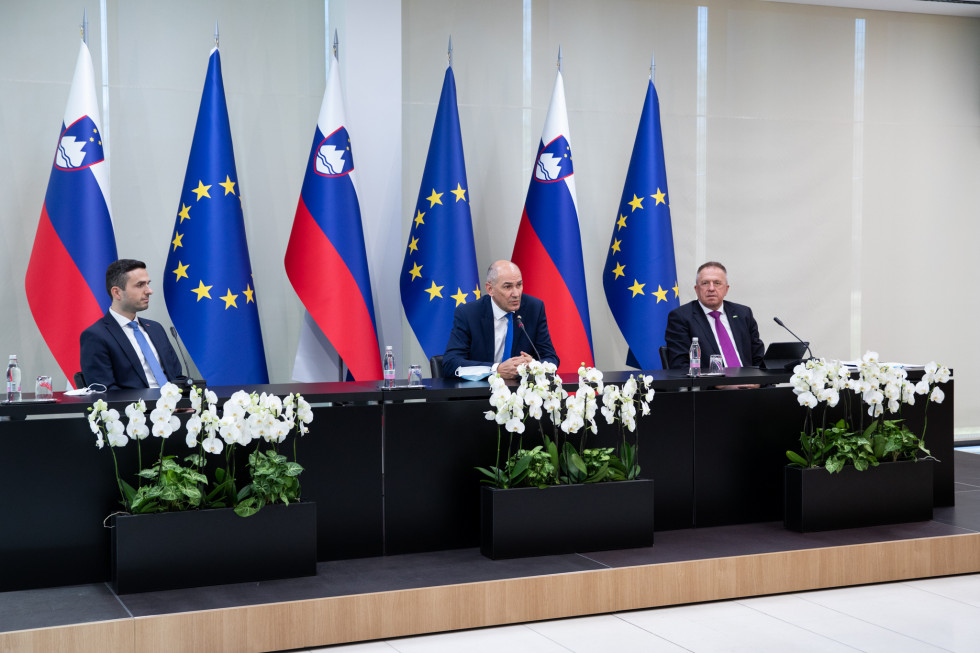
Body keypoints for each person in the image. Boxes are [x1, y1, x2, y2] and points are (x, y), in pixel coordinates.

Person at [79, 259, 185, 390]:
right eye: (140, 285)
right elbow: (104, 391)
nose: (149, 291)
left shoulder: (156, 329)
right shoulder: (96, 336)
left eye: (148, 284)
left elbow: (177, 377)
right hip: (137, 408)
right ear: (117, 292)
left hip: (176, 407)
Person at [442, 260, 559, 379]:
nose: (516, 293)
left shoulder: (534, 308)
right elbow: (450, 363)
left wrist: (534, 365)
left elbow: (551, 358)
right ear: (490, 289)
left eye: (519, 285)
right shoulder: (468, 314)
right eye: (508, 287)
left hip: (522, 392)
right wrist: (495, 369)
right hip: (481, 392)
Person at [664, 261, 764, 371]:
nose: (711, 288)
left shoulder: (743, 313)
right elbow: (680, 366)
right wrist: (717, 384)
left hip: (750, 384)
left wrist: (758, 383)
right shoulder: (681, 317)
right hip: (712, 386)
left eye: (717, 283)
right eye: (705, 283)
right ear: (696, 289)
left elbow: (758, 358)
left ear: (726, 289)